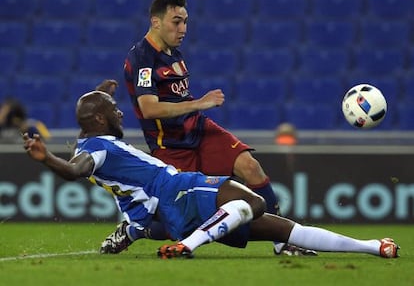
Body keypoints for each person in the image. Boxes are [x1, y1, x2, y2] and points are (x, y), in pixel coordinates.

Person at [22, 91, 399, 259]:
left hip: (171, 207)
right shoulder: (94, 150)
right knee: (252, 200)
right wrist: (45, 159)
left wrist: (104, 91)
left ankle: (373, 247)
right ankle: (186, 245)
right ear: (101, 119)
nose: (122, 114)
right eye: (114, 110)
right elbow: (74, 171)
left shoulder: (96, 137)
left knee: (282, 228)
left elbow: (94, 124)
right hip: (177, 188)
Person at [105, 0, 313, 256]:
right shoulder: (142, 58)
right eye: (176, 21)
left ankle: (283, 242)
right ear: (155, 21)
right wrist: (199, 103)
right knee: (183, 223)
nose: (183, 28)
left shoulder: (174, 53)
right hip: (170, 145)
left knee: (251, 167)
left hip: (198, 130)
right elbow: (148, 108)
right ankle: (136, 228)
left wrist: (195, 110)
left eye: (185, 21)